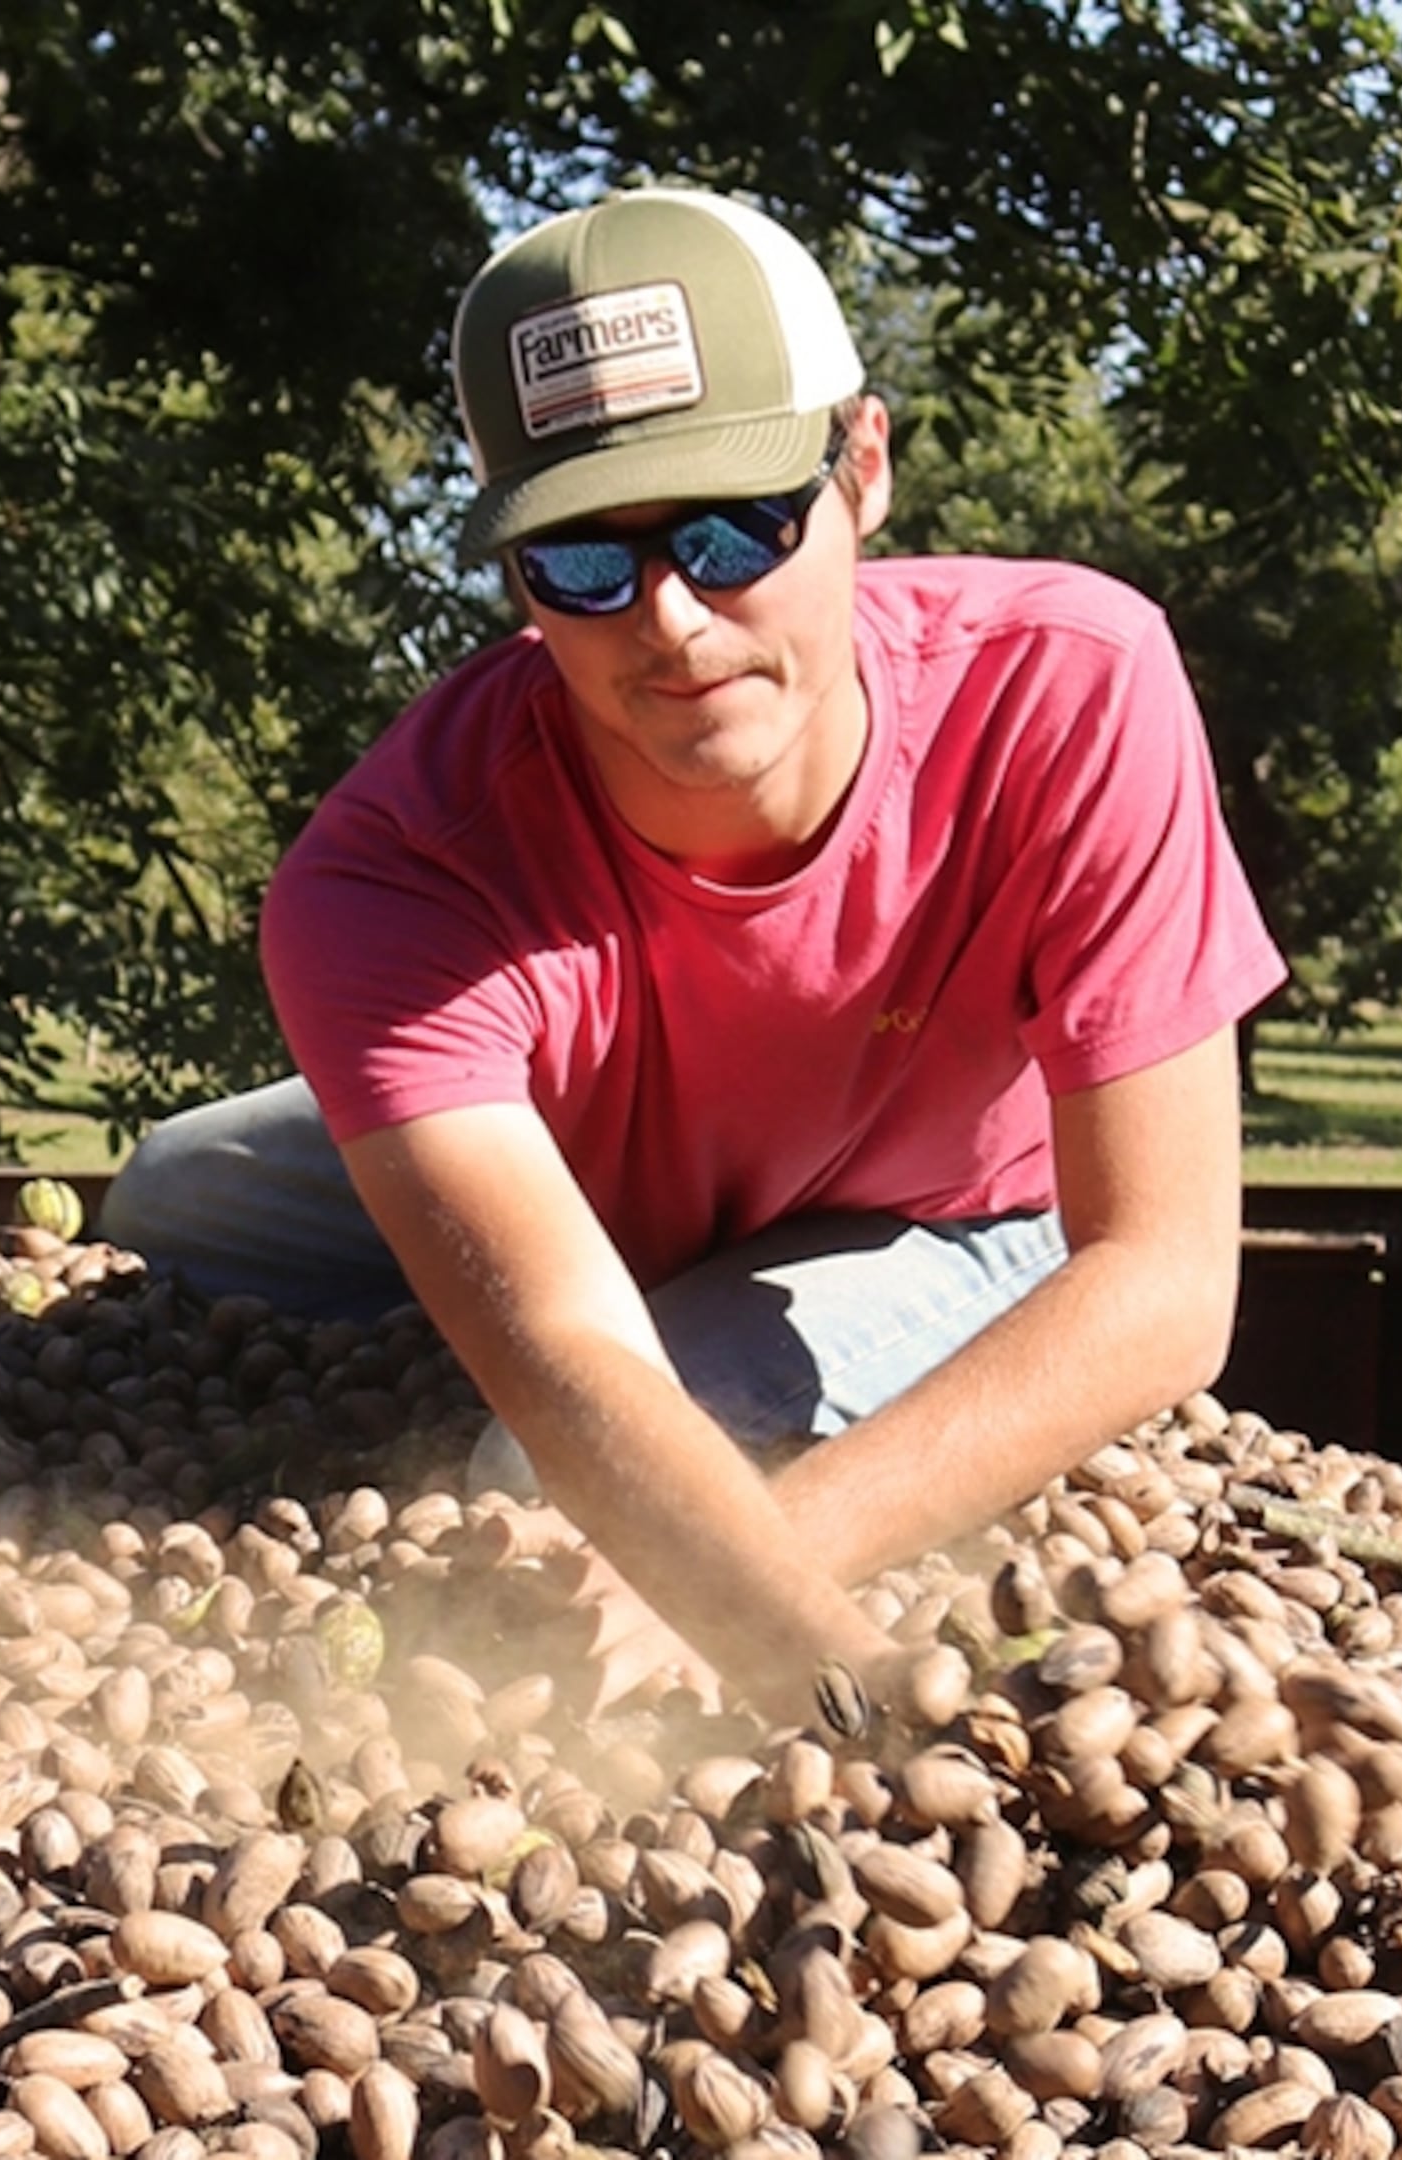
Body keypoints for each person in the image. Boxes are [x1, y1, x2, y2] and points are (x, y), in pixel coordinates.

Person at [102, 186, 1283, 1718]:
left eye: (736, 531)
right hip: (587, 1176)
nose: (670, 621)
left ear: (862, 467)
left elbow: (1167, 1277)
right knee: (173, 1204)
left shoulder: (1070, 687)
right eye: (581, 562)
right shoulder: (390, 874)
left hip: (952, 1213)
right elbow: (564, 1336)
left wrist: (780, 1621)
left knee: (536, 1477)